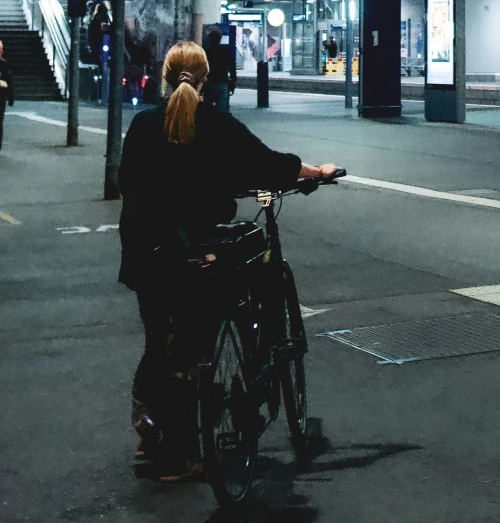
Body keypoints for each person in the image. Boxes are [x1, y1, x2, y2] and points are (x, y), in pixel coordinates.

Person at [118, 41, 336, 483]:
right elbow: (268, 165)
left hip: (147, 256)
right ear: (205, 79)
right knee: (191, 349)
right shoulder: (216, 124)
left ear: (166, 77)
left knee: (159, 339)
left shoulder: (142, 125)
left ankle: (148, 433)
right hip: (195, 255)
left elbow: (128, 183)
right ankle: (176, 458)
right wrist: (317, 172)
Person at [203, 27, 237, 111]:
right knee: (222, 112)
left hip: (209, 84)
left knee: (208, 111)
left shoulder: (205, 52)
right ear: (220, 38)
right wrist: (233, 82)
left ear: (210, 38)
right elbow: (232, 67)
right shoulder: (225, 51)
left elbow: (201, 69)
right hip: (222, 83)